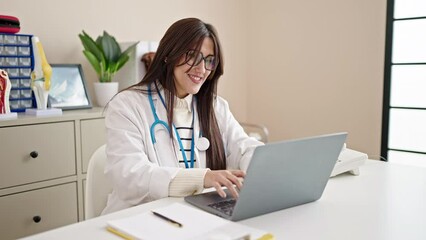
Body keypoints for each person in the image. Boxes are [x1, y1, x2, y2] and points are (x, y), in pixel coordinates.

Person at [102, 17, 263, 214]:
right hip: (139, 217)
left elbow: (245, 147)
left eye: (209, 60)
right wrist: (202, 178)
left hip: (194, 216)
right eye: (192, 56)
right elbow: (128, 175)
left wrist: (260, 165)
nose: (201, 69)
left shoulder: (215, 107)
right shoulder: (127, 105)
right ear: (169, 55)